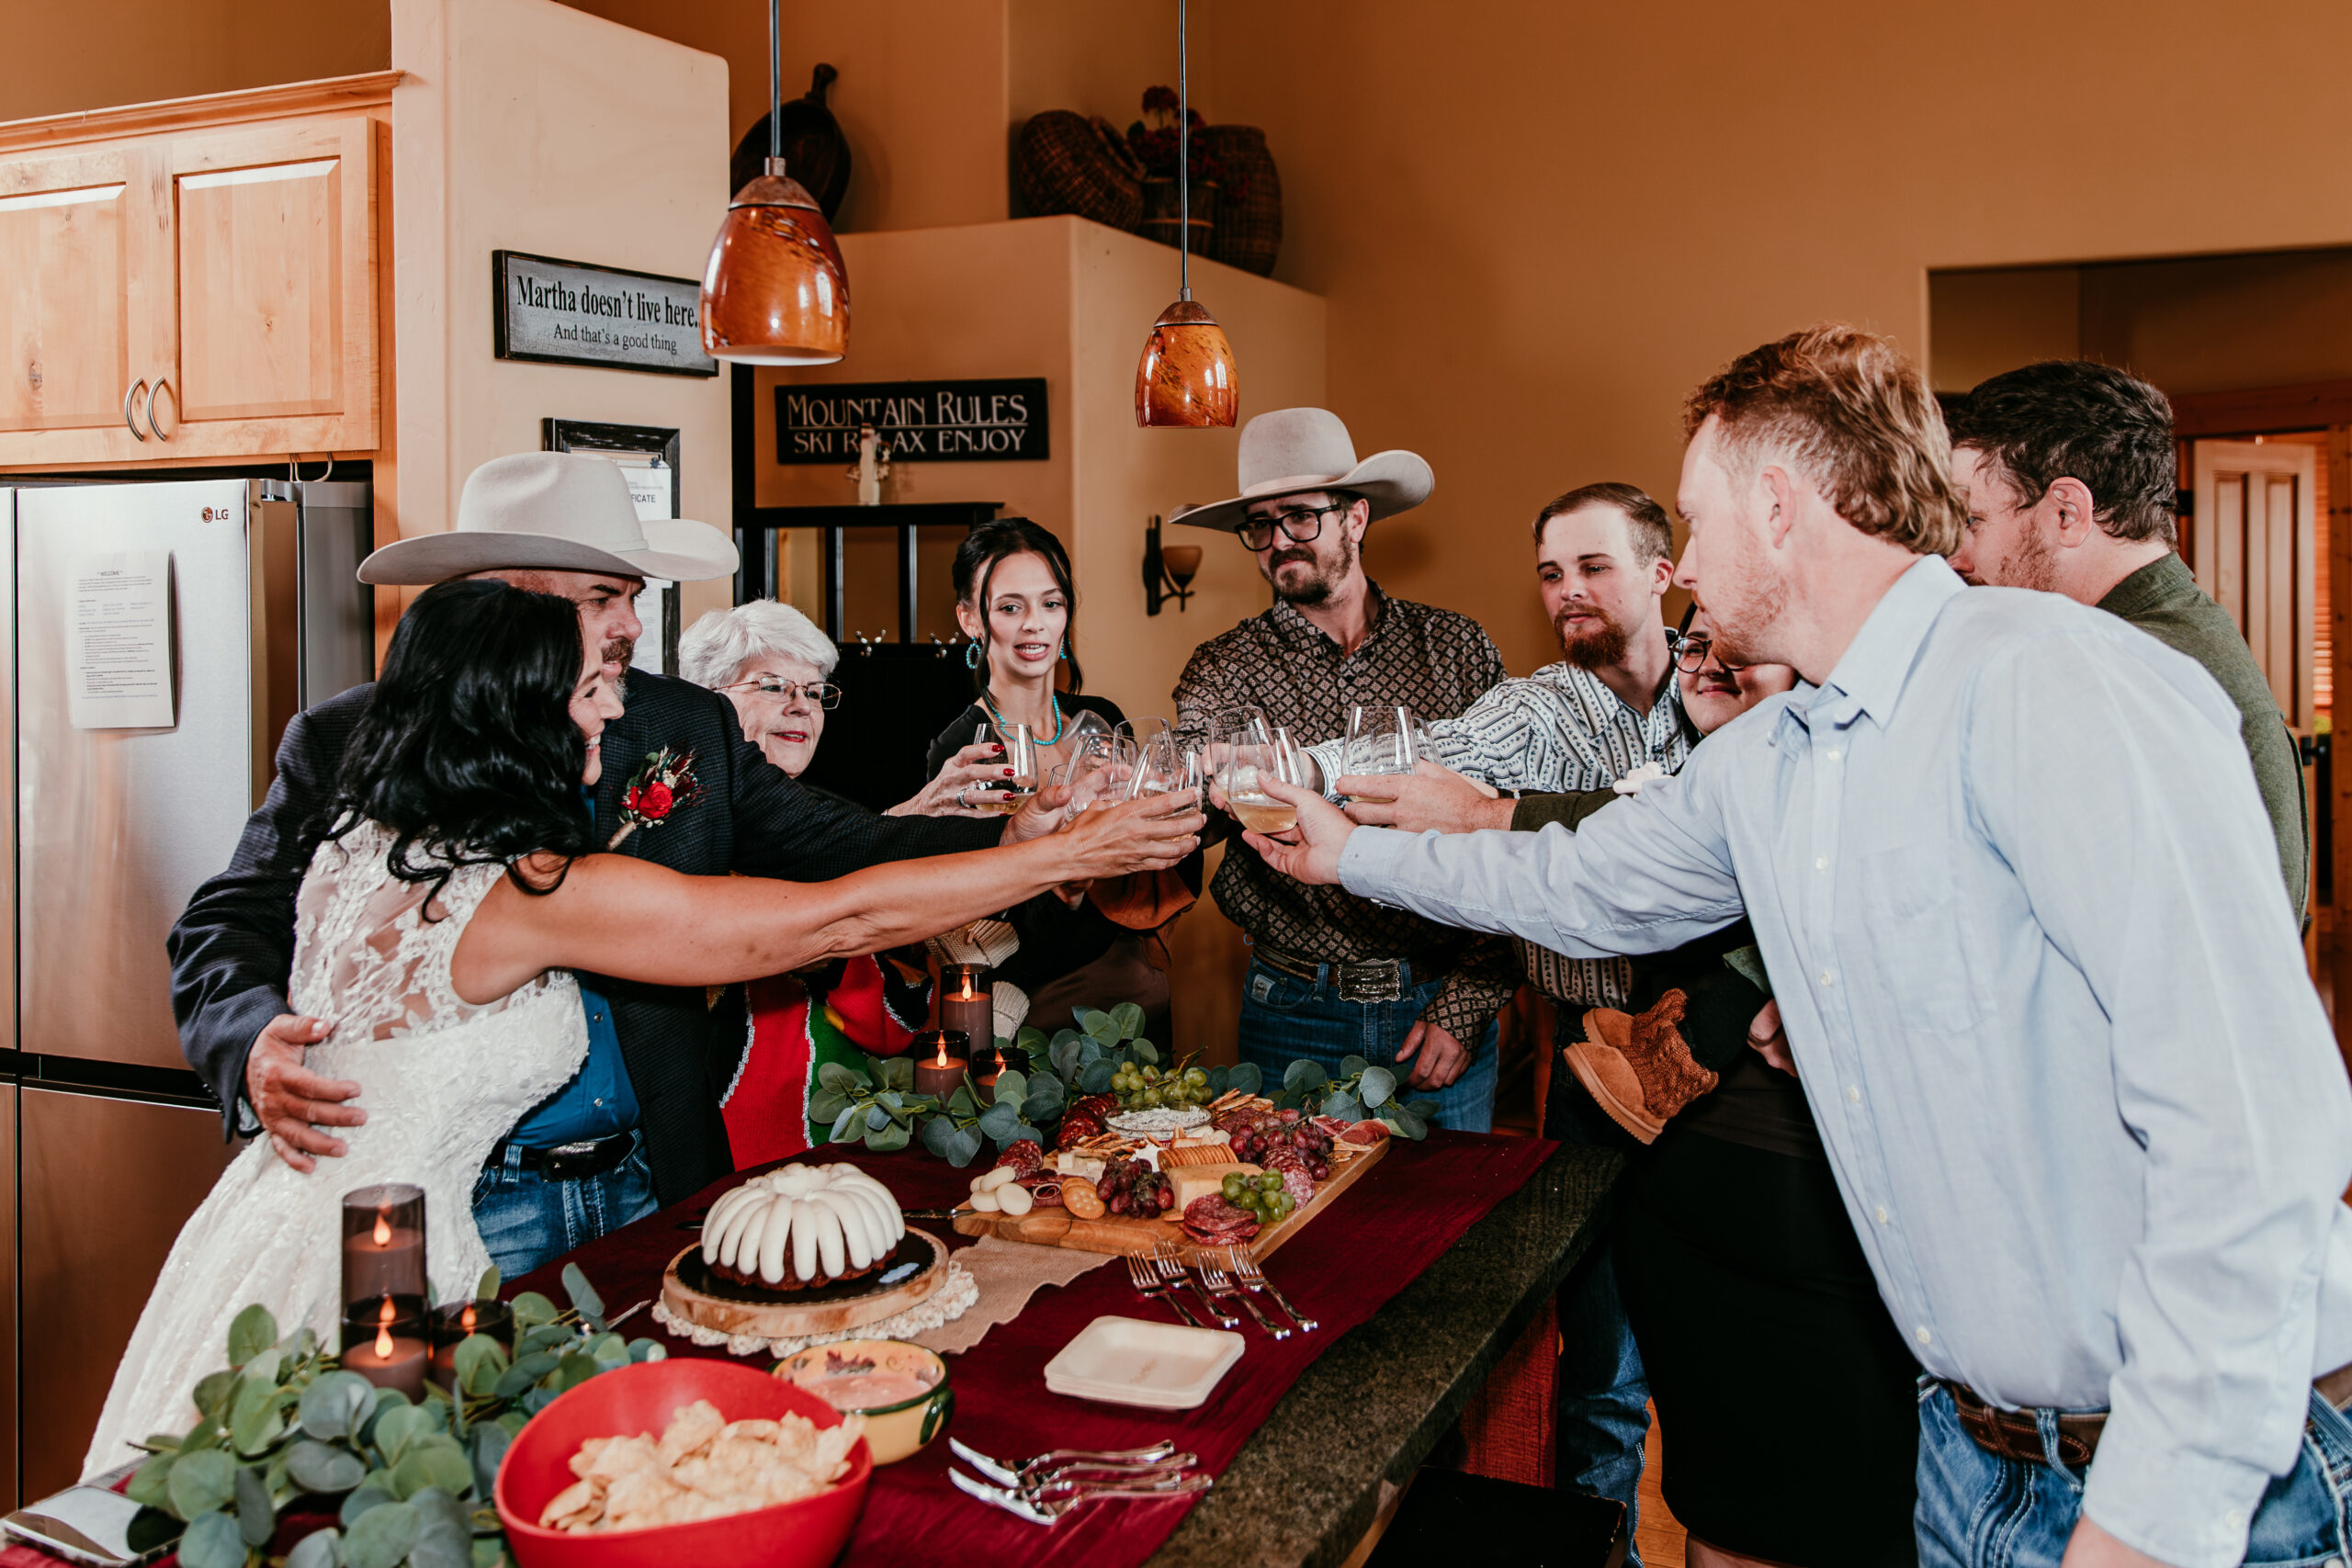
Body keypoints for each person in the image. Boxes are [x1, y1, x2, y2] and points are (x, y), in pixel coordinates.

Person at [1251, 326, 2352, 1568]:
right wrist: (1350, 855)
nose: (1680, 565)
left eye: (1694, 519)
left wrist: (2151, 1518)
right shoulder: (1772, 757)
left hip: (2183, 1478)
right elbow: (1579, 881)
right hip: (1969, 1454)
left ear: (1777, 506)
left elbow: (2251, 1122)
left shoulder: (2047, 681)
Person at [93, 580, 1200, 1472]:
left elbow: (840, 860)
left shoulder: (370, 838)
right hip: (405, 1269)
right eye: (589, 687)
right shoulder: (517, 892)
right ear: (516, 707)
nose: (615, 711)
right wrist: (1070, 856)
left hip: (291, 1227)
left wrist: (1016, 835)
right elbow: (833, 920)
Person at [167, 454, 1046, 1277]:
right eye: (601, 597)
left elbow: (842, 845)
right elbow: (229, 919)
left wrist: (1018, 838)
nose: (630, 624)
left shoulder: (678, 724)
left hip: (652, 1171)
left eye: (631, 595)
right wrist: (251, 1042)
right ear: (505, 603)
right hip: (467, 1193)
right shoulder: (348, 737)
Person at [1297, 480, 1693, 1540]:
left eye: (1593, 567)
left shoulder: (1732, 689)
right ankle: (1606, 1553)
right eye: (1551, 574)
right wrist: (1281, 770)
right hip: (1591, 1074)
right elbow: (1410, 758)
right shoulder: (1531, 709)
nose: (1568, 591)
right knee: (1601, 1365)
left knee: (1718, 1355)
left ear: (1661, 573)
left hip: (1725, 1074)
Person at [1513, 615, 1921, 1567]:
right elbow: (1553, 867)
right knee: (1715, 1498)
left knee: (1842, 1505)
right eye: (1694, 647)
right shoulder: (1673, 796)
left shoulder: (1861, 786)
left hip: (1812, 1215)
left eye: (1739, 647)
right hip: (1683, 1211)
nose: (1709, 664)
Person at [1169, 407, 1516, 1132]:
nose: (1277, 542)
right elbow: (1192, 799)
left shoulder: (1457, 649)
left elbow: (1512, 833)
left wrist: (1468, 1003)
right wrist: (1186, 788)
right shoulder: (1223, 667)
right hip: (1291, 1010)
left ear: (1356, 517)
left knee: (1452, 1204)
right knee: (1287, 1200)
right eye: (1259, 525)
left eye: (1300, 517)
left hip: (1435, 999)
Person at [1945, 360, 2308, 921]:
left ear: (2067, 513)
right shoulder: (2158, 639)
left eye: (1973, 521)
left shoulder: (2128, 669)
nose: (1957, 557)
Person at [680, 599, 933, 1168]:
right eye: (773, 687)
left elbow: (890, 1029)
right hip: (717, 1162)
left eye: (815, 692)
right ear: (705, 700)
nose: (801, 706)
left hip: (842, 1148)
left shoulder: (830, 826)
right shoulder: (678, 832)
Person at [925, 519, 1198, 1039]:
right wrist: (1069, 887)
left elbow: (1152, 872)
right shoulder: (965, 753)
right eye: (1011, 608)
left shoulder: (1103, 719)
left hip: (1139, 1014)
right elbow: (983, 937)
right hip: (1039, 1033)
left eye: (1051, 603)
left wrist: (1188, 805)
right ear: (970, 619)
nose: (1035, 625)